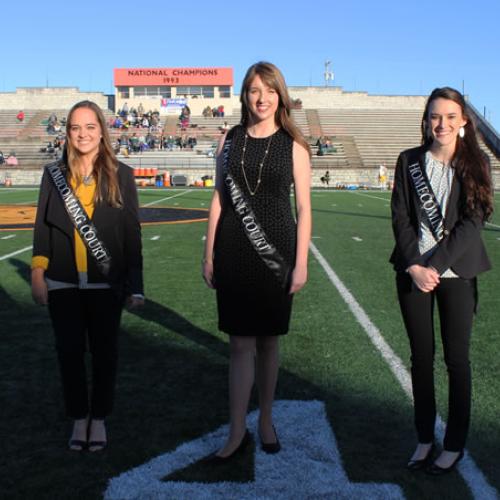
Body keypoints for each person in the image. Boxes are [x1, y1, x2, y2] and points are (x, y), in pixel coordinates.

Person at [202, 61, 311, 461]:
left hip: (277, 252)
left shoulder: (294, 143)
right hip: (233, 249)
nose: (261, 98)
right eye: (254, 90)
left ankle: (265, 420)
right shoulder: (228, 140)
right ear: (244, 96)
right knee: (239, 345)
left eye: (269, 90)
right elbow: (218, 199)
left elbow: (304, 207)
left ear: (280, 95)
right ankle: (236, 430)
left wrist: (301, 262)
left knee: (268, 341)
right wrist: (208, 250)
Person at [390, 87, 493, 475]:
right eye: (435, 116)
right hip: (414, 275)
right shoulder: (408, 161)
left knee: (456, 361)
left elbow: (474, 222)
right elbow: (400, 218)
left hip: (457, 275)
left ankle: (454, 444)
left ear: (463, 121)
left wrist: (435, 265)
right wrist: (415, 266)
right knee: (420, 359)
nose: (442, 124)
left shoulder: (476, 163)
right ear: (426, 120)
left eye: (450, 116)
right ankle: (424, 438)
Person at [31, 100, 144, 452]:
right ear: (67, 133)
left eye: (90, 127)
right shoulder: (53, 175)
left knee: (105, 353)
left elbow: (131, 235)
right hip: (62, 281)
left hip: (105, 283)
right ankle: (79, 417)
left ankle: (100, 418)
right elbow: (42, 228)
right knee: (69, 352)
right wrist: (38, 271)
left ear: (101, 131)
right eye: (76, 128)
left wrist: (135, 286)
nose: (83, 134)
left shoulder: (121, 174)